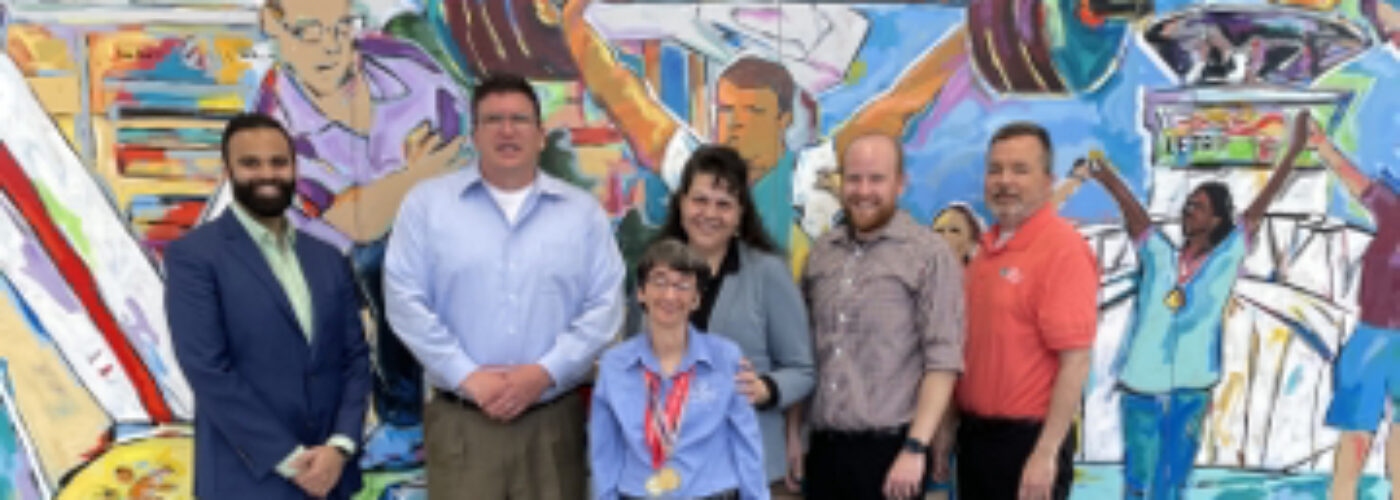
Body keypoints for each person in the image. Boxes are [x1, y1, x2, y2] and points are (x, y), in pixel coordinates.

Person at [561, 0, 969, 263]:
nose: (736, 122)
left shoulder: (815, 171)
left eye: (754, 110)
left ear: (784, 120)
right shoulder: (693, 166)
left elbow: (903, 101)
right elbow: (622, 96)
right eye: (726, 109)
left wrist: (977, 31)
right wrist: (575, 24)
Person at [383, 73, 625, 499]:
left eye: (520, 119)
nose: (507, 130)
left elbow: (605, 307)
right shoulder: (427, 206)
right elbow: (404, 300)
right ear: (475, 133)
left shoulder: (582, 214)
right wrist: (467, 375)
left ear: (541, 135)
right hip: (462, 421)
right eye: (493, 119)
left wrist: (544, 373)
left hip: (553, 421)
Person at [255, 0, 469, 462]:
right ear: (273, 25)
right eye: (311, 31)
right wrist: (413, 175)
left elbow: (459, 151)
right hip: (320, 266)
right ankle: (400, 422)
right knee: (377, 257)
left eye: (341, 27)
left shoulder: (406, 65)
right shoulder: (274, 121)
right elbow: (356, 223)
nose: (331, 46)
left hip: (436, 231)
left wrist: (398, 192)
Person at [1088, 112, 1307, 499]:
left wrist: (1292, 153)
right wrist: (1107, 179)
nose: (1188, 210)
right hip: (1141, 387)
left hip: (1192, 390)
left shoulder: (1226, 259)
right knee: (1138, 484)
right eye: (1188, 204)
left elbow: (1261, 205)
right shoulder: (1158, 254)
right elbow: (1133, 214)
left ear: (1218, 218)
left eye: (1199, 206)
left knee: (1172, 485)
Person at [166, 113, 372, 499]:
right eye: (251, 163)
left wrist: (341, 445)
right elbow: (208, 370)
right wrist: (291, 460)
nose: (267, 174)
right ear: (227, 171)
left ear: (294, 168)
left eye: (278, 162)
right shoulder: (194, 257)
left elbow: (355, 359)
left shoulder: (328, 258)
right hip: (246, 481)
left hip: (332, 479)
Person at [629, 145, 814, 498]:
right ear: (681, 203)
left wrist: (765, 388)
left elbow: (803, 369)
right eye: (700, 200)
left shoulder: (768, 274)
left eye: (724, 204)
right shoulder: (652, 272)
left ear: (740, 213)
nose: (709, 213)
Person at [796, 133, 965, 500]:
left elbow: (943, 361)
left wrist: (915, 448)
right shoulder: (823, 253)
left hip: (892, 458)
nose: (863, 190)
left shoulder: (929, 254)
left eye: (876, 179)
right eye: (854, 178)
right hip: (824, 453)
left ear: (900, 183)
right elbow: (804, 354)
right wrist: (796, 437)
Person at [954, 122, 1099, 500]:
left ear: (1048, 180)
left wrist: (1045, 453)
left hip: (1028, 444)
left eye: (1020, 170)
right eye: (995, 169)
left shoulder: (1063, 250)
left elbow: (1076, 361)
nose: (1005, 181)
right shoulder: (984, 250)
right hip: (975, 441)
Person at [592, 238, 768, 500]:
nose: (670, 295)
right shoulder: (614, 365)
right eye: (660, 281)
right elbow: (605, 452)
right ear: (641, 292)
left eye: (682, 285)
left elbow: (747, 444)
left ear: (696, 299)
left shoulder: (726, 358)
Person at [1309, 117, 1400, 500]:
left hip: (1377, 337)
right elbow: (1359, 185)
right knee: (1356, 436)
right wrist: (1321, 146)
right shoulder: (1394, 211)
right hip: (1374, 334)